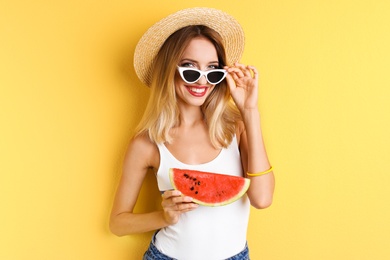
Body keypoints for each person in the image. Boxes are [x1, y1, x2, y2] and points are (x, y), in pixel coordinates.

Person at [109, 7, 275, 260]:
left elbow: (262, 199)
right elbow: (118, 224)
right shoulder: (147, 143)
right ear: (168, 72)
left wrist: (250, 111)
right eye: (189, 68)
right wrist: (163, 216)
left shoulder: (236, 127)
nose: (202, 81)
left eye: (213, 69)